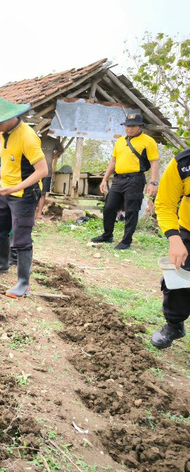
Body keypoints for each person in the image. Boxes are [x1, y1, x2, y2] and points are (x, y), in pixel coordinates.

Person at [0, 96, 48, 298]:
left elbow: (42, 171)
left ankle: (23, 283)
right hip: (6, 190)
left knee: (21, 238)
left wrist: (15, 188)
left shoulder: (28, 137)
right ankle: (0, 263)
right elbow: (8, 163)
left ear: (7, 118)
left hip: (25, 194)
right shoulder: (4, 135)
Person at [91, 113, 159, 250]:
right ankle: (107, 235)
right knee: (109, 207)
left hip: (135, 179)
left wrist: (153, 182)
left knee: (131, 210)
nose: (129, 129)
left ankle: (126, 241)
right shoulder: (121, 141)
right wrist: (104, 179)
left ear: (140, 126)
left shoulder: (148, 141)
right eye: (127, 126)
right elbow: (113, 160)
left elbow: (154, 162)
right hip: (118, 179)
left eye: (133, 126)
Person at [150, 148, 190, 349]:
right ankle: (174, 324)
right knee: (178, 278)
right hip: (188, 231)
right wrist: (175, 239)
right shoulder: (183, 163)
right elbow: (165, 204)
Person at [35, 134, 64, 220]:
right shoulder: (36, 139)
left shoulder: (53, 141)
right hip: (35, 171)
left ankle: (39, 214)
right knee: (33, 192)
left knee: (43, 193)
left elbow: (61, 150)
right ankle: (31, 213)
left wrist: (53, 156)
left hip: (47, 171)